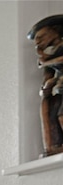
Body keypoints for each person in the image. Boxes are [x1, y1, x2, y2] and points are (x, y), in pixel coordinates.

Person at [28, 15, 63, 156]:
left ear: (55, 32)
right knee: (54, 114)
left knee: (61, 115)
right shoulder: (48, 56)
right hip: (58, 90)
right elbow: (47, 79)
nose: (38, 42)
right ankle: (55, 145)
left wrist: (46, 62)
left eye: (41, 37)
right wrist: (46, 87)